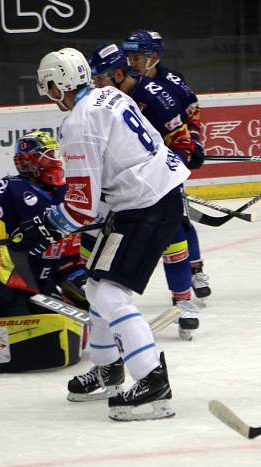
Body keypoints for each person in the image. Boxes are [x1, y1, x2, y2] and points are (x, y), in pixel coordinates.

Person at [16, 47, 190, 421]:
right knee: (96, 284)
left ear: (59, 84)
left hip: (146, 206)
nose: (48, 94)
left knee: (109, 292)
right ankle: (108, 367)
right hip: (140, 199)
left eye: (48, 87)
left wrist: (42, 228)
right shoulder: (106, 94)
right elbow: (98, 186)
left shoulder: (79, 123)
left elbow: (80, 206)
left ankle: (152, 382)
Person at [88, 42, 200, 340]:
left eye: (100, 78)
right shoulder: (99, 104)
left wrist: (161, 172)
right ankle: (101, 308)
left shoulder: (156, 97)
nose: (96, 86)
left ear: (120, 73)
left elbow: (182, 141)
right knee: (93, 241)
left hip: (154, 184)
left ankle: (183, 300)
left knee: (173, 238)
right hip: (118, 187)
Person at [121, 29, 211, 300]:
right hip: (136, 168)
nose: (132, 62)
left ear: (154, 57)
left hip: (168, 162)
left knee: (179, 220)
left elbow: (192, 115)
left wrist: (192, 143)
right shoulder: (122, 85)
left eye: (138, 57)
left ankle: (195, 271)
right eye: (129, 57)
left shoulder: (172, 83)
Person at [0, 130, 87, 318]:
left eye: (54, 154)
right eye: (48, 156)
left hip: (39, 285)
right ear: (29, 161)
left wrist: (81, 284)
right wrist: (4, 275)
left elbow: (67, 260)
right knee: (31, 335)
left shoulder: (67, 195)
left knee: (66, 332)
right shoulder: (6, 190)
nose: (56, 161)